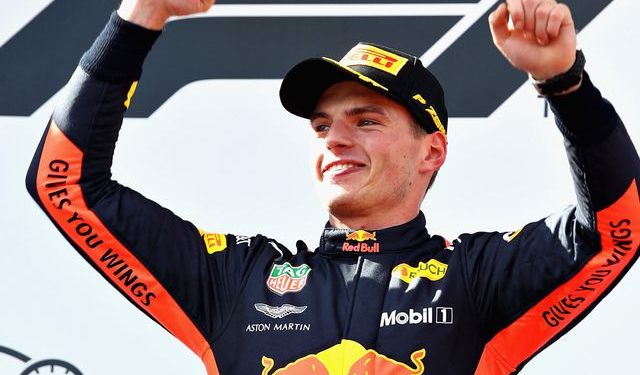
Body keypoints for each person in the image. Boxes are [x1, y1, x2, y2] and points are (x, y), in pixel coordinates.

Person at [26, 0, 639, 374]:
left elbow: (617, 229)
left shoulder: (478, 278)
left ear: (433, 151)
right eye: (323, 126)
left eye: (366, 121)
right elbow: (66, 184)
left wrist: (565, 84)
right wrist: (140, 17)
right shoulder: (235, 279)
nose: (334, 139)